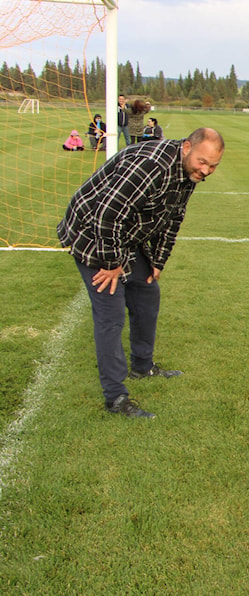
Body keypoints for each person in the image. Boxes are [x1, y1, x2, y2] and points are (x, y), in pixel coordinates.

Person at [57, 128, 226, 418]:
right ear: (186, 147)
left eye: (213, 165)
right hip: (92, 232)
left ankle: (143, 367)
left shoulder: (188, 173)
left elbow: (173, 217)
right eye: (202, 162)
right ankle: (116, 398)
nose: (206, 170)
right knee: (110, 313)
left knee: (147, 292)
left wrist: (158, 261)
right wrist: (111, 264)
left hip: (124, 234)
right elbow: (105, 216)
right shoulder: (151, 166)